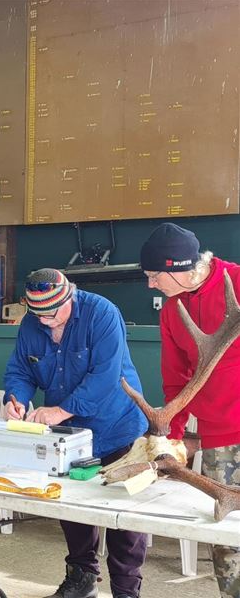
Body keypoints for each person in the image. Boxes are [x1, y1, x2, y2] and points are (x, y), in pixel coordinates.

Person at [3, 268, 149, 598]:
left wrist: (59, 411)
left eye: (52, 313)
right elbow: (20, 370)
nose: (45, 321)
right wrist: (16, 399)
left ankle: (127, 591)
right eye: (37, 314)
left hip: (119, 428)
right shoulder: (33, 322)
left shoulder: (103, 314)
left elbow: (105, 377)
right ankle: (82, 580)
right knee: (72, 511)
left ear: (69, 297)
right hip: (71, 436)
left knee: (123, 519)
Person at [140, 222, 240, 598]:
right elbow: (174, 379)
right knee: (225, 534)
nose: (150, 284)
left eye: (153, 276)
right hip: (218, 436)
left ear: (178, 268)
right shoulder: (172, 310)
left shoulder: (237, 281)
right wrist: (173, 437)